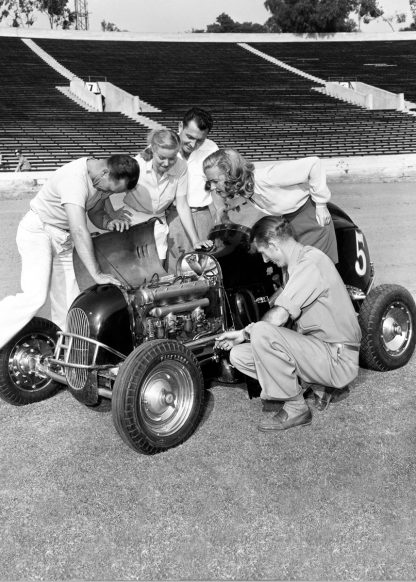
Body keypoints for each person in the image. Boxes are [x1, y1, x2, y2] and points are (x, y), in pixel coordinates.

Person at [215, 215, 361, 432]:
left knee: (263, 332)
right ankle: (315, 385)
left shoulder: (310, 263)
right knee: (239, 356)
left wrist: (246, 332)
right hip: (318, 350)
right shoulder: (295, 265)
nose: (265, 260)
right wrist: (243, 336)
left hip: (338, 357)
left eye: (264, 252)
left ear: (274, 244)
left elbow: (279, 318)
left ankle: (296, 407)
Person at [0, 154, 139, 349]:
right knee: (35, 296)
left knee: (69, 303)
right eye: (108, 189)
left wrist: (110, 221)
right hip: (39, 231)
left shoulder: (101, 178)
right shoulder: (74, 179)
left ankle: (63, 358)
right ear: (105, 172)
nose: (107, 194)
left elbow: (96, 212)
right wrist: (97, 274)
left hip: (63, 240)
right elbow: (79, 229)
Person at [203, 149, 338, 264]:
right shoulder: (247, 189)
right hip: (290, 223)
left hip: (311, 220)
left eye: (215, 181)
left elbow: (314, 164)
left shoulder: (267, 177)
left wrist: (321, 204)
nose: (213, 187)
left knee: (310, 272)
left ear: (231, 174)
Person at [110, 129, 212, 263]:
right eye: (162, 157)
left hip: (158, 223)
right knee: (132, 270)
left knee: (158, 272)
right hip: (131, 222)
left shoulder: (181, 167)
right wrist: (111, 215)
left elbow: (182, 204)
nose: (166, 163)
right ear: (153, 150)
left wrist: (195, 240)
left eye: (172, 158)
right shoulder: (136, 165)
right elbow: (104, 189)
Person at [166, 108, 218, 266]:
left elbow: (217, 188)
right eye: (189, 137)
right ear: (180, 127)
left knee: (206, 270)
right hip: (172, 218)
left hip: (203, 217)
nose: (193, 144)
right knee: (175, 271)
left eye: (200, 140)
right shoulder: (164, 147)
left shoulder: (211, 149)